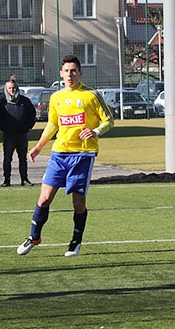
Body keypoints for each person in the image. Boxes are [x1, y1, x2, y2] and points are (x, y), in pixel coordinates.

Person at [16, 55, 114, 257]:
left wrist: (94, 132)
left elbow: (108, 121)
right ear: (61, 73)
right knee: (44, 199)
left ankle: (75, 241)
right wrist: (38, 147)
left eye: (73, 70)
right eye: (66, 71)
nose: (70, 74)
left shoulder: (91, 95)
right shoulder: (56, 97)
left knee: (78, 203)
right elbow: (53, 124)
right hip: (59, 154)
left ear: (80, 72)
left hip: (83, 155)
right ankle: (34, 236)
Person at [0, 78, 36, 187]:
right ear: (6, 89)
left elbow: (32, 115)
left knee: (23, 159)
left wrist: (28, 126)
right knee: (7, 159)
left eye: (13, 88)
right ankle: (6, 180)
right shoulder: (2, 103)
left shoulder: (25, 101)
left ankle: (24, 179)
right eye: (9, 88)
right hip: (8, 136)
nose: (12, 90)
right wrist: (4, 128)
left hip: (22, 135)